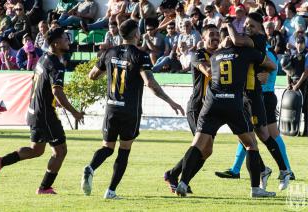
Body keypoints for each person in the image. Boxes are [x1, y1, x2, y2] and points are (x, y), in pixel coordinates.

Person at [80, 19, 184, 199]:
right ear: (136, 34)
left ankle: (90, 167)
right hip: (129, 110)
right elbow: (150, 82)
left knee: (107, 147)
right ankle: (111, 191)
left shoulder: (109, 52)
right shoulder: (140, 55)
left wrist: (111, 67)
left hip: (111, 108)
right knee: (124, 149)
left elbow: (92, 76)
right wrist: (170, 101)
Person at [173, 27, 277, 198]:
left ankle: (183, 183)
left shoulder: (214, 56)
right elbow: (272, 65)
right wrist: (262, 71)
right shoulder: (245, 53)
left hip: (211, 103)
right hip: (233, 103)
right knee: (251, 144)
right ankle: (256, 189)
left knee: (197, 144)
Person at [0, 27, 84, 194]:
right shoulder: (56, 65)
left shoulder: (43, 59)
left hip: (34, 112)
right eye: (65, 38)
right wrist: (74, 112)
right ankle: (44, 187)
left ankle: (0, 161)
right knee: (60, 151)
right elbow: (57, 91)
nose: (68, 41)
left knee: (36, 150)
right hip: (45, 115)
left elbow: (39, 84)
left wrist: (50, 101)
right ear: (56, 43)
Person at [215, 13, 292, 190]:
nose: (248, 28)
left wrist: (228, 24)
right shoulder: (247, 43)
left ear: (260, 28)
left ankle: (284, 169)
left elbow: (272, 65)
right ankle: (263, 169)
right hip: (243, 97)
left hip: (256, 97)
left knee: (265, 135)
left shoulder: (258, 39)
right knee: (246, 137)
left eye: (252, 25)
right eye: (246, 25)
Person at [164, 24, 219, 193]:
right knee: (201, 145)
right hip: (198, 107)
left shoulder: (221, 55)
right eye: (211, 35)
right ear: (203, 38)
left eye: (217, 34)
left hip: (213, 109)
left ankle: (176, 175)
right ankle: (179, 179)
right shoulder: (198, 54)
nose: (215, 37)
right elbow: (208, 72)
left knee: (207, 150)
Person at [286, 36, 308, 135]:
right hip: (294, 84)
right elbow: (288, 71)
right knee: (294, 108)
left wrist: (297, 85)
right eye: (298, 43)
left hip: (305, 85)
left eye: (301, 43)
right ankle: (294, 131)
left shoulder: (307, 55)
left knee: (306, 109)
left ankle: (306, 131)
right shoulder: (292, 54)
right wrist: (288, 84)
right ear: (295, 44)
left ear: (304, 44)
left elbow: (306, 72)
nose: (300, 45)